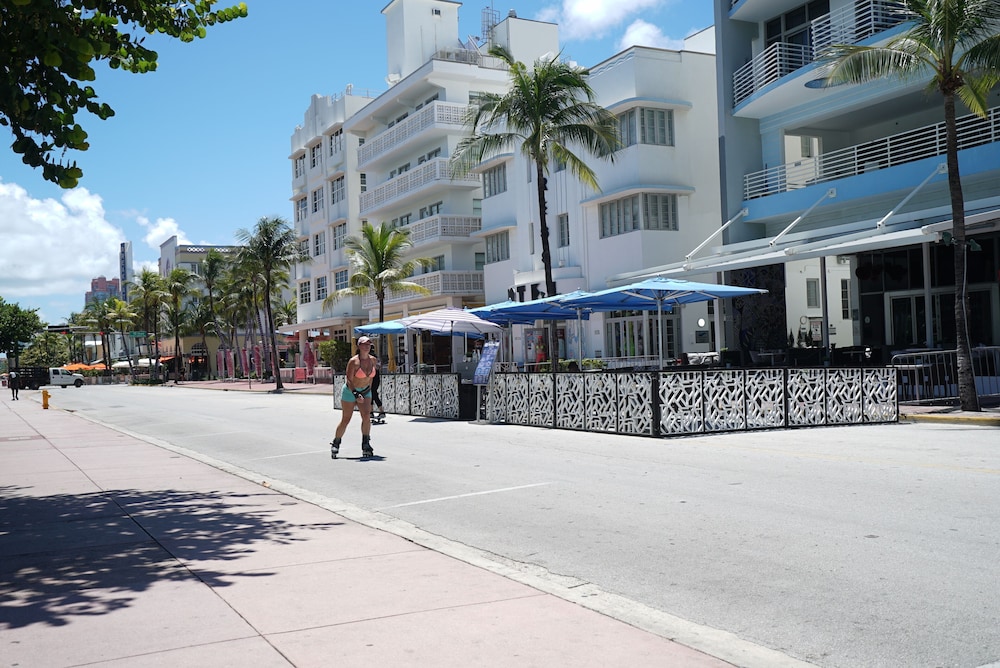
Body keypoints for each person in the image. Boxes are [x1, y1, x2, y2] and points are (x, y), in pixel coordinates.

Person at [330, 336, 376, 459]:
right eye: (364, 344)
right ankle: (336, 442)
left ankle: (366, 444)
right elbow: (349, 380)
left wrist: (369, 391)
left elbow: (371, 378)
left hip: (365, 391)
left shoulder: (373, 360)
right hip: (351, 391)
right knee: (346, 419)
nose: (367, 347)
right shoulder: (354, 361)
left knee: (366, 416)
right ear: (359, 346)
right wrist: (356, 394)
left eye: (368, 344)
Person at [370, 352, 386, 421]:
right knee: (371, 395)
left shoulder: (371, 359)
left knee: (374, 394)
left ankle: (381, 411)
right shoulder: (376, 359)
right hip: (375, 378)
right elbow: (379, 366)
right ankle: (371, 412)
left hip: (373, 378)